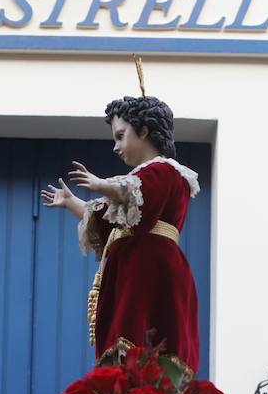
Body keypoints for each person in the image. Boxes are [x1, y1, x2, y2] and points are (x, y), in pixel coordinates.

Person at [40, 95, 201, 372]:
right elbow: (104, 218)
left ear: (144, 131)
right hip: (130, 271)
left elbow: (138, 192)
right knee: (124, 342)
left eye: (120, 136)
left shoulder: (166, 171)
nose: (115, 147)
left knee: (143, 337)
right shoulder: (136, 185)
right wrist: (70, 202)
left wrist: (101, 184)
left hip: (150, 271)